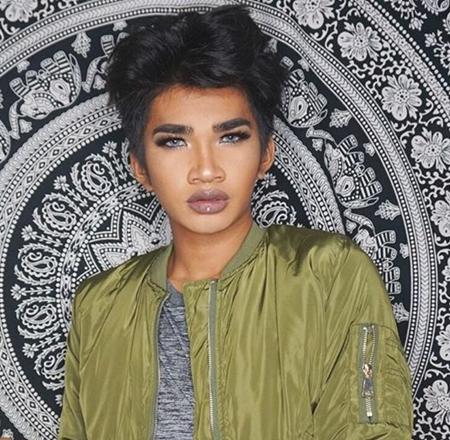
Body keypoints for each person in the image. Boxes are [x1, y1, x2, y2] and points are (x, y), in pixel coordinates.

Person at [58, 5, 414, 439]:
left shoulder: (328, 273)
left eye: (231, 137)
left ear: (265, 153)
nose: (206, 170)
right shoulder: (98, 306)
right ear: (140, 167)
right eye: (173, 142)